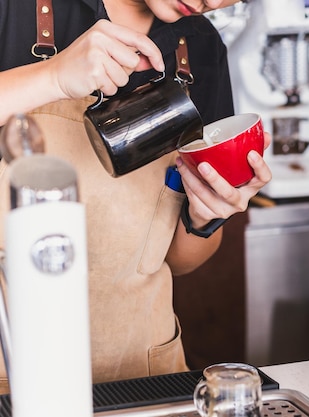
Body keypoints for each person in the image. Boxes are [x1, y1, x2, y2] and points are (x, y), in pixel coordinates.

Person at [0, 0, 272, 393]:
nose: (211, 1)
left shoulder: (199, 45)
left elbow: (178, 260)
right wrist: (54, 77)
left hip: (142, 372)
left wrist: (205, 217)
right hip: (13, 375)